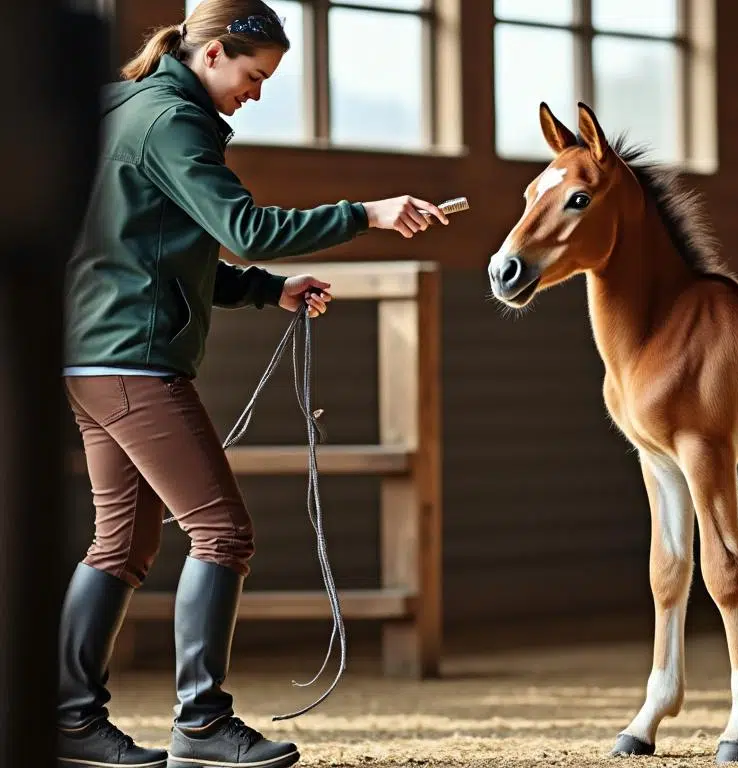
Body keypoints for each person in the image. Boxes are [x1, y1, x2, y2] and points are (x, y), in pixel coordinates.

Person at [57, 2, 451, 767]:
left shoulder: (123, 108)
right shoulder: (172, 121)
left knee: (119, 545)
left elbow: (156, 251)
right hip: (133, 360)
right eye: (254, 75)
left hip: (90, 355)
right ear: (212, 56)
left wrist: (266, 291)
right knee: (223, 534)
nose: (258, 92)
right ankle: (201, 724)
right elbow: (242, 229)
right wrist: (363, 212)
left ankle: (70, 721)